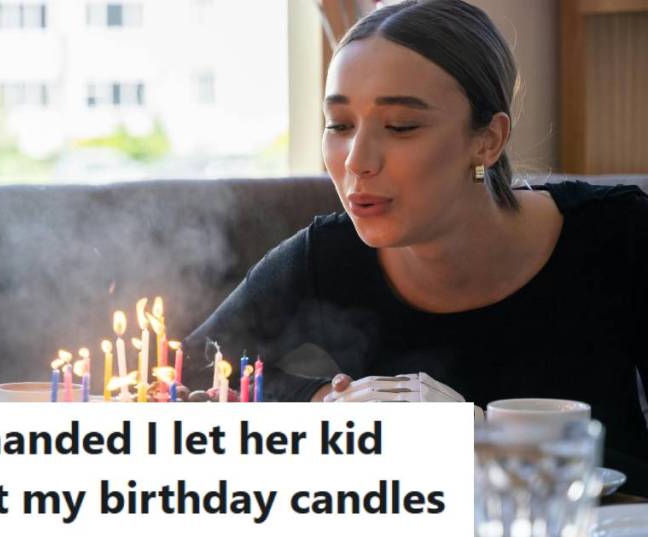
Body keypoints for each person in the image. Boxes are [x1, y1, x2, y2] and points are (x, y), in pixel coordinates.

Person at [183, 0, 648, 493]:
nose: (356, 161)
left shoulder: (617, 235)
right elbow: (195, 366)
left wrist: (488, 438)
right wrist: (324, 403)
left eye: (401, 126)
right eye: (339, 125)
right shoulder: (330, 254)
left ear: (488, 141)